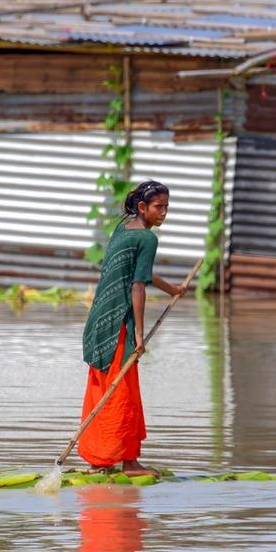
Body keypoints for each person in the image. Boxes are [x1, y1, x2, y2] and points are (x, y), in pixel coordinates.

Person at [77, 180, 187, 477]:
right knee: (121, 390)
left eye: (166, 207)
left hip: (99, 320)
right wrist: (139, 334)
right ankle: (124, 461)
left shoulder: (123, 229)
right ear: (143, 207)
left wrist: (171, 289)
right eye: (158, 207)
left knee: (106, 389)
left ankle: (106, 458)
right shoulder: (148, 239)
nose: (163, 213)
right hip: (118, 325)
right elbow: (137, 285)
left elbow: (142, 271)